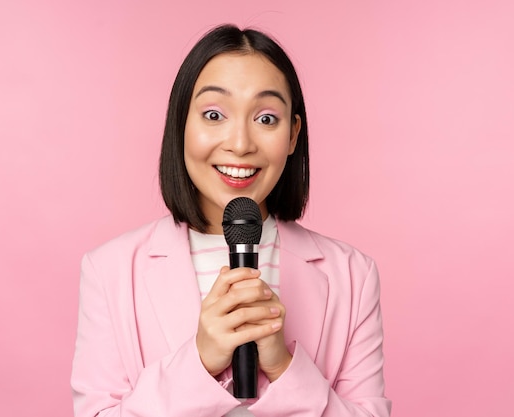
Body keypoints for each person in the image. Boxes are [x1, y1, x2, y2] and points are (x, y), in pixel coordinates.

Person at [71, 24, 391, 417]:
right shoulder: (110, 271)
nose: (240, 143)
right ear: (181, 124)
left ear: (293, 135)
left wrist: (283, 367)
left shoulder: (353, 275)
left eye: (267, 119)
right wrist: (200, 361)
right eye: (213, 114)